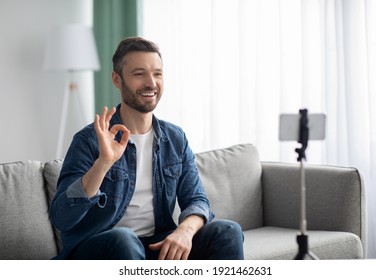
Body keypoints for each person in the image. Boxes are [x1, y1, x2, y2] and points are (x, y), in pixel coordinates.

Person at [50, 37, 244, 260]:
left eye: (157, 73)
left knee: (228, 231)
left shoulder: (175, 138)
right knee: (124, 238)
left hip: (155, 244)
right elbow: (62, 217)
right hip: (100, 246)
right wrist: (103, 163)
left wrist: (184, 231)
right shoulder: (89, 140)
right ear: (117, 79)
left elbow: (197, 200)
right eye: (139, 74)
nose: (151, 83)